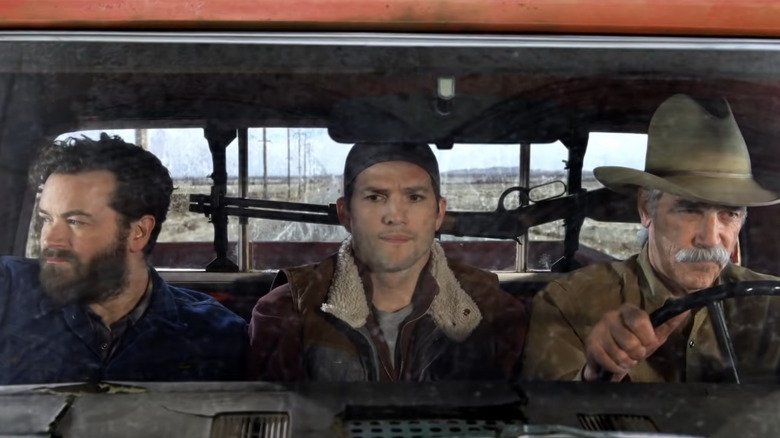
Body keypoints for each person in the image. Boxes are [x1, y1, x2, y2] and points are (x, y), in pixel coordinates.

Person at [522, 94, 780, 383]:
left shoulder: (769, 305)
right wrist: (593, 376)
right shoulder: (570, 302)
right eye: (690, 209)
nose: (710, 239)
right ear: (646, 209)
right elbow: (545, 419)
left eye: (729, 214)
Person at [248, 142, 528, 382]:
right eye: (375, 197)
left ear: (438, 212)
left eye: (414, 197)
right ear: (345, 214)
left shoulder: (493, 308)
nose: (395, 215)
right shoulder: (287, 310)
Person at [0, 133, 247, 384]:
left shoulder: (214, 335)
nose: (50, 240)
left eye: (75, 222)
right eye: (47, 219)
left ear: (138, 232)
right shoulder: (7, 293)